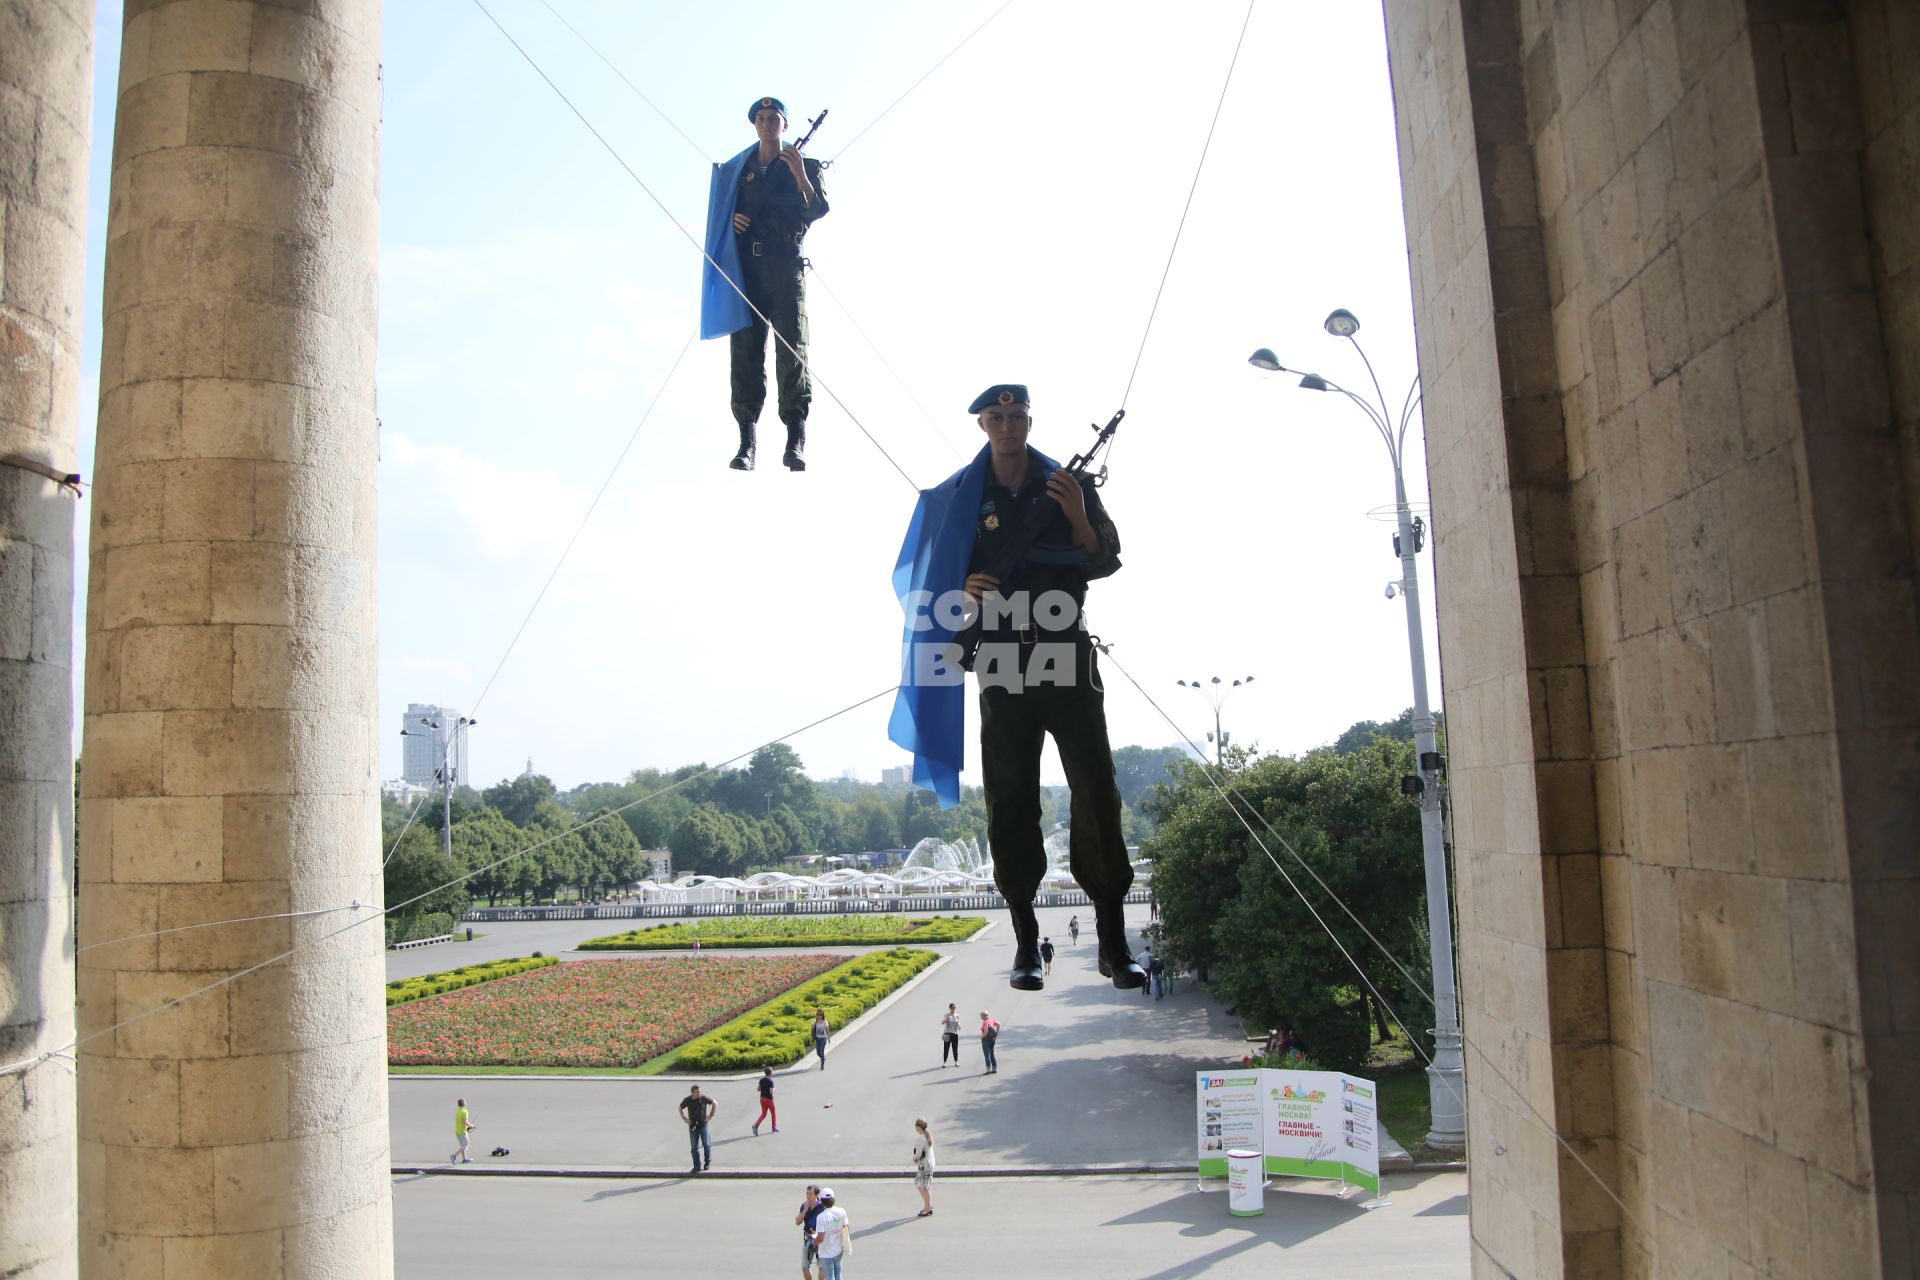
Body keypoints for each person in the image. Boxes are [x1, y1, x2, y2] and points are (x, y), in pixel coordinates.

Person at [888, 384, 1146, 993]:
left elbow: (1104, 558)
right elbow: (936, 587)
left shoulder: (1065, 485)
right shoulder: (959, 499)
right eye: (996, 417)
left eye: (1017, 416)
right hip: (1001, 658)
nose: (1007, 426)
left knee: (1096, 790)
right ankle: (1026, 941)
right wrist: (967, 590)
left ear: (1030, 421)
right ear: (982, 424)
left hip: (1066, 652)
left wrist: (1077, 513)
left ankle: (1112, 937)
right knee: (1010, 800)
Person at [704, 96, 829, 472]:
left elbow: (818, 208)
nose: (767, 124)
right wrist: (733, 223)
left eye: (774, 118)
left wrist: (801, 177)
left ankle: (795, 437)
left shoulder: (802, 163)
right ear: (754, 124)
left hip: (786, 266)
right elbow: (719, 219)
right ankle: (747, 441)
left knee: (793, 349)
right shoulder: (739, 172)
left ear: (785, 125)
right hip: (749, 269)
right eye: (761, 118)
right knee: (745, 352)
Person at [812, 1187, 851, 1279]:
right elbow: (846, 1229)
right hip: (838, 1250)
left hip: (826, 1253)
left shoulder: (821, 1217)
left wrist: (814, 1242)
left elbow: (821, 1237)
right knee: (838, 1275)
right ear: (833, 1199)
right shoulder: (841, 1211)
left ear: (821, 1201)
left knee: (830, 1277)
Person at [678, 1084, 716, 1173]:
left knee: (706, 1145)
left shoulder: (703, 1098)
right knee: (694, 1147)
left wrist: (710, 1115)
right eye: (697, 1092)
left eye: (700, 1092)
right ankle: (696, 1166)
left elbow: (715, 1103)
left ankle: (707, 1162)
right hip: (693, 1126)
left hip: (703, 1125)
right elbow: (680, 1108)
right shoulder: (687, 1100)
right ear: (692, 1093)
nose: (699, 1094)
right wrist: (685, 1118)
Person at [795, 1183, 824, 1279]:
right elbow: (797, 1221)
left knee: (822, 1266)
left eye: (810, 1194)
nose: (808, 1196)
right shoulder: (804, 1206)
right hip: (808, 1238)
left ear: (816, 1195)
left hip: (820, 1239)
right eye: (807, 1193)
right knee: (805, 1266)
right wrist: (804, 1211)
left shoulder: (822, 1207)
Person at [911, 1117, 936, 1216]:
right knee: (922, 1185)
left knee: (923, 1187)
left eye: (916, 1125)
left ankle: (927, 1208)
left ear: (918, 1127)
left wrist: (914, 1158)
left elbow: (918, 1154)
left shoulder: (920, 1139)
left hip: (924, 1166)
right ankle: (928, 1205)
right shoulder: (928, 1135)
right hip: (930, 1164)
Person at [754, 1066, 779, 1135]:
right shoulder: (771, 1081)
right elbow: (771, 1092)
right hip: (769, 1100)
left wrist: (764, 1089)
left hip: (762, 1099)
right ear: (770, 1073)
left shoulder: (761, 1080)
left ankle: (756, 1125)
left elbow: (758, 1089)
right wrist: (774, 1089)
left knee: (764, 1114)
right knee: (773, 1112)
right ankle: (774, 1128)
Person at [451, 1097, 474, 1165]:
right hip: (462, 1132)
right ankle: (454, 1156)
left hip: (458, 1131)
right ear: (464, 1104)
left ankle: (464, 1159)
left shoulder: (458, 1111)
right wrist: (472, 1126)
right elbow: (465, 1122)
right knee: (466, 1145)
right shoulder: (465, 1111)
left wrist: (467, 1127)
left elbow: (461, 1122)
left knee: (462, 1145)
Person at [979, 1009, 1000, 1074]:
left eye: (981, 1016)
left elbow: (986, 1031)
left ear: (984, 1016)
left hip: (986, 1040)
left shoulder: (985, 1022)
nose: (981, 1017)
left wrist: (982, 1037)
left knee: (986, 1055)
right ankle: (994, 1068)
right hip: (992, 1039)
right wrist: (996, 1032)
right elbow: (998, 1024)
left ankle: (988, 1069)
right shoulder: (992, 1020)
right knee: (992, 1053)